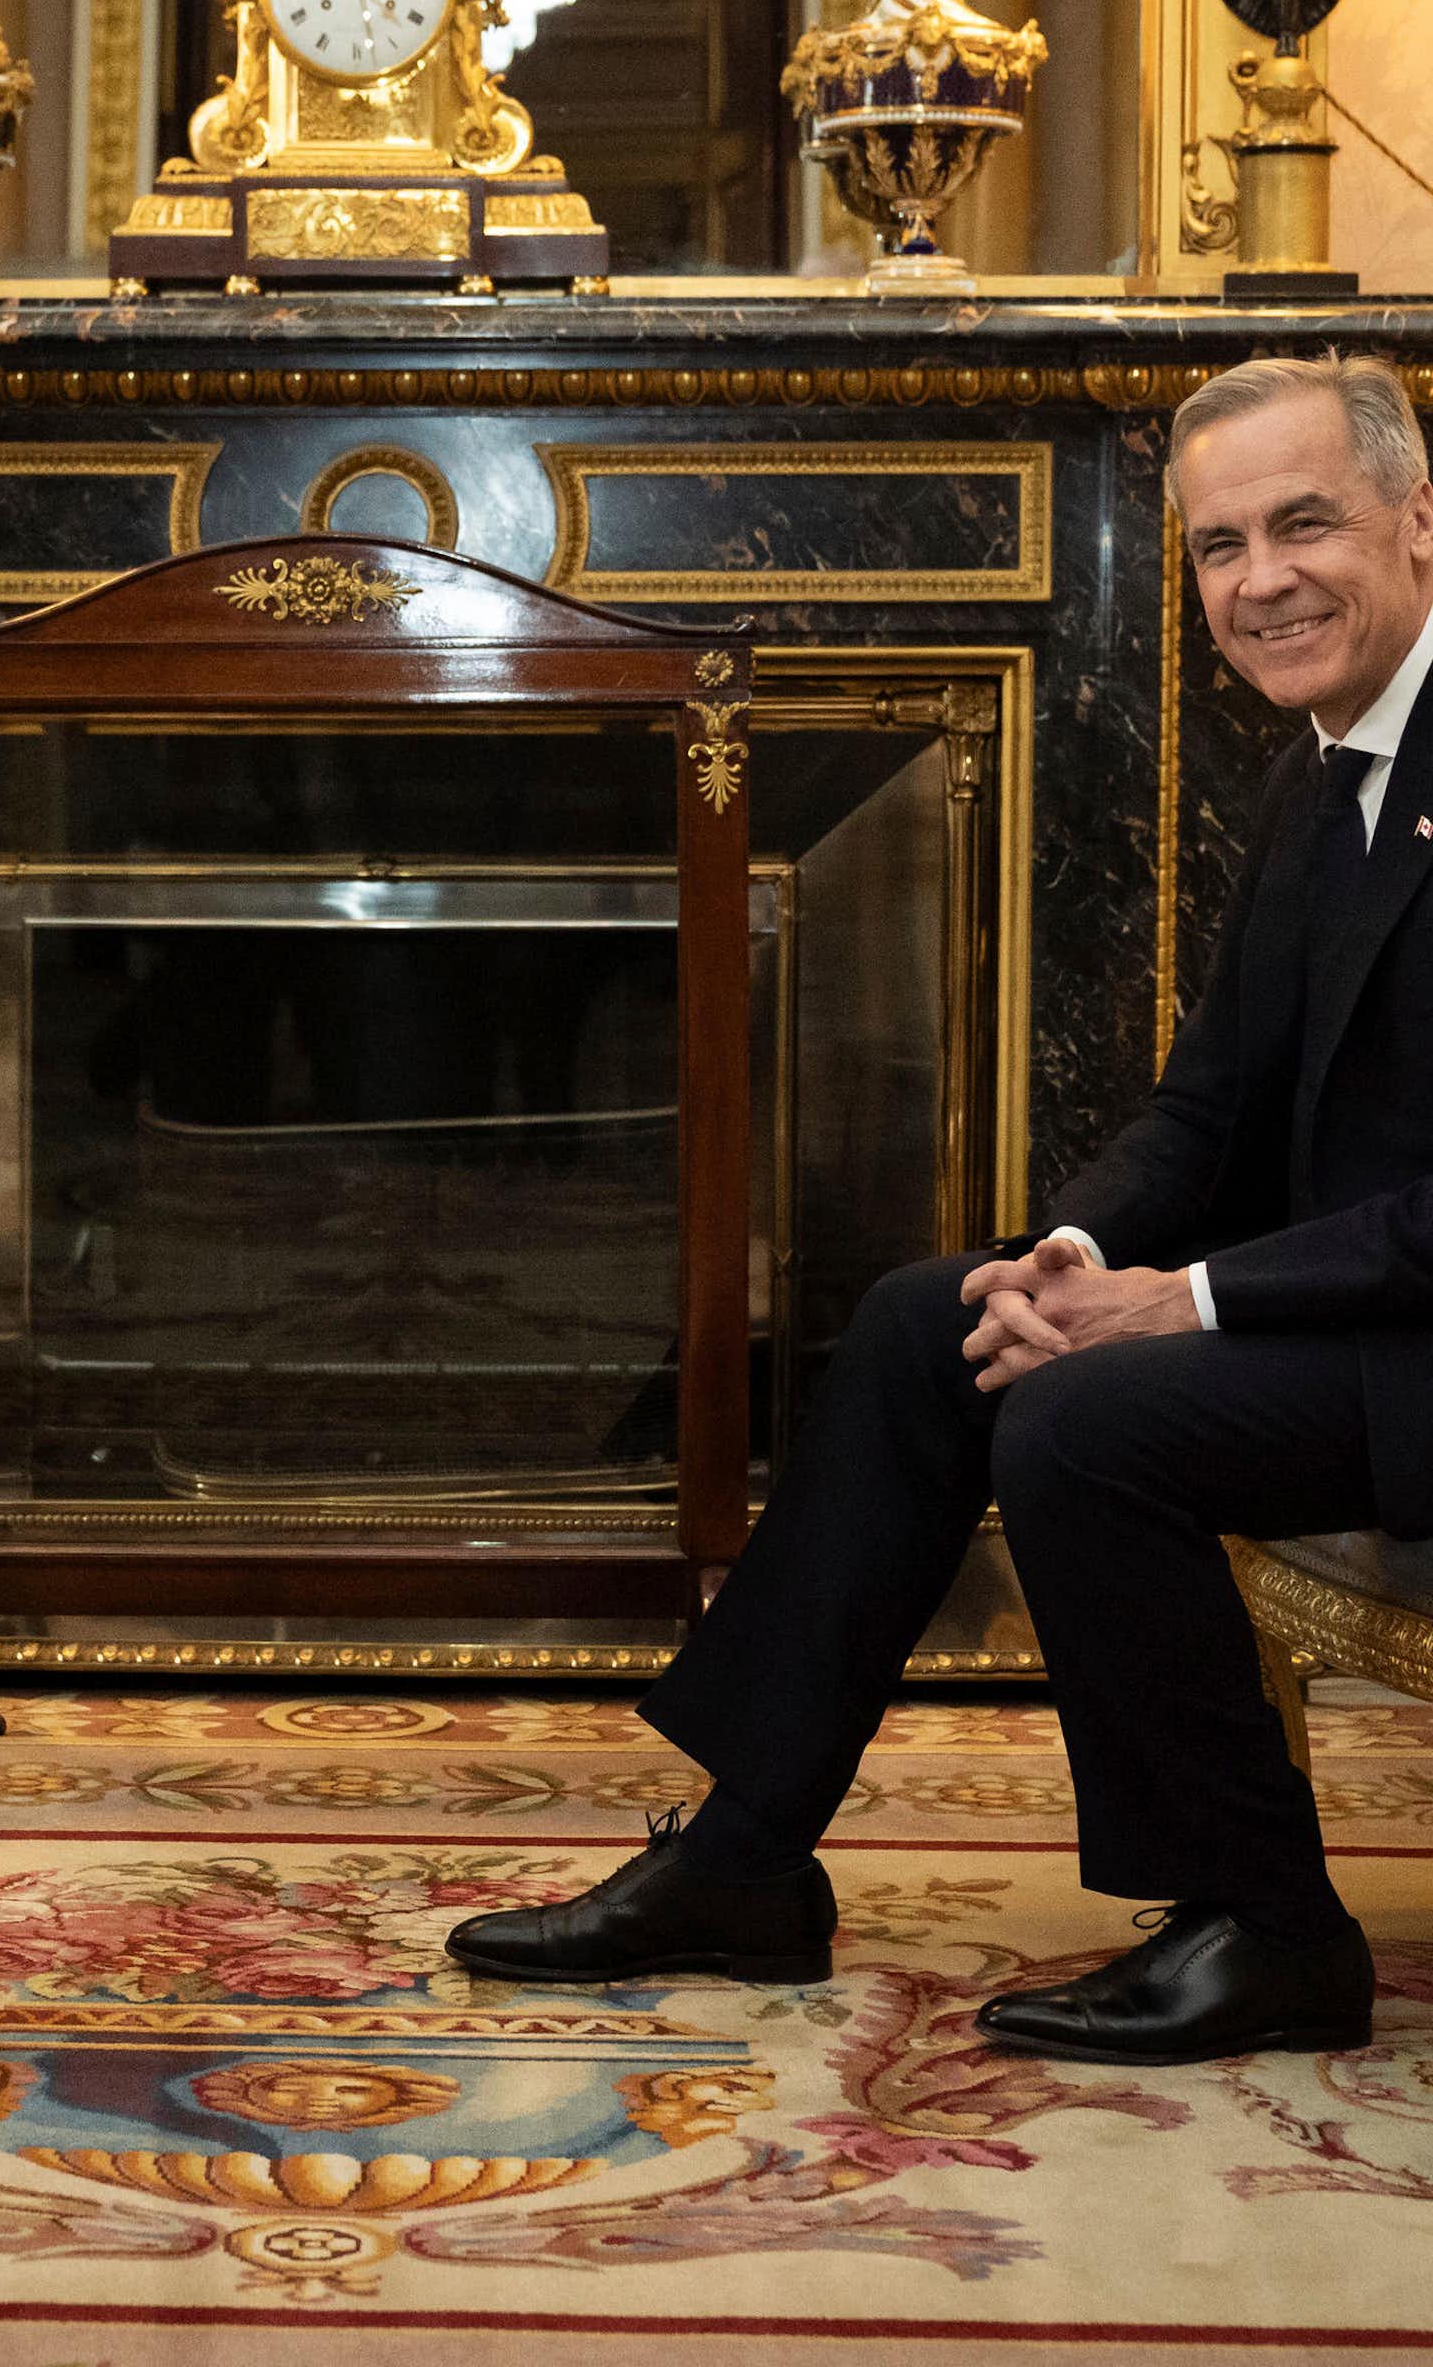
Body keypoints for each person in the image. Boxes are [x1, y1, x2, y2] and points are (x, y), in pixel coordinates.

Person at [449, 353, 1433, 2065]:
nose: (1258, 581)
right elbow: (1204, 1106)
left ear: (1420, 519)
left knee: (1087, 1422)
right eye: (1218, 546)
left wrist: (1181, 1303)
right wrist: (1074, 1254)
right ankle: (749, 1857)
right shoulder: (1323, 767)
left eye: (1304, 525)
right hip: (1356, 1316)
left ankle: (1271, 1926)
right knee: (933, 1322)